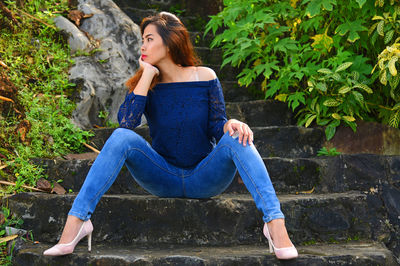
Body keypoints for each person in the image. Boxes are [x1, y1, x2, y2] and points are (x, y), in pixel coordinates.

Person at [43, 11, 298, 260]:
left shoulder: (205, 76)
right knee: (121, 137)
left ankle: (275, 225)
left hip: (205, 176)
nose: (142, 45)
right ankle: (76, 223)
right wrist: (147, 75)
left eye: (149, 39)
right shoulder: (148, 85)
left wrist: (230, 122)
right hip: (162, 176)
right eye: (142, 39)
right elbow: (126, 123)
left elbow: (216, 125)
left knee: (238, 135)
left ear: (170, 41)